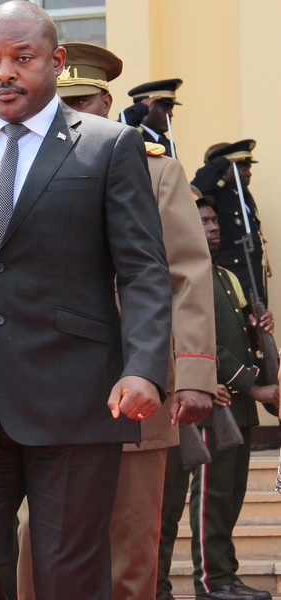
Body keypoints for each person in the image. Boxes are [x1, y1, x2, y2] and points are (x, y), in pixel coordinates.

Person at [0, 3, 172, 599]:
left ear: (57, 61)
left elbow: (144, 269)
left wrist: (144, 367)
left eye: (22, 59)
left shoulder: (107, 147)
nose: (4, 74)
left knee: (68, 579)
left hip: (74, 399)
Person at [14, 42, 217, 600]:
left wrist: (195, 373)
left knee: (130, 544)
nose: (75, 113)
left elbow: (188, 274)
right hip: (50, 385)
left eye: (86, 101)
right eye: (64, 100)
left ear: (107, 103)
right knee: (43, 539)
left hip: (136, 379)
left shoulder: (156, 173)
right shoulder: (20, 171)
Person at [183, 195, 277, 600]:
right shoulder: (188, 277)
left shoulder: (226, 275)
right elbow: (209, 347)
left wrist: (258, 325)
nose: (213, 226)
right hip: (214, 403)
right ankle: (211, 581)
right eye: (203, 221)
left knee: (232, 494)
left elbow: (236, 334)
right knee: (211, 494)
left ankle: (226, 575)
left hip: (238, 404)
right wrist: (253, 385)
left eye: (215, 220)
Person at [191, 140, 268, 305]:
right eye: (242, 167)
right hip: (233, 283)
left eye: (249, 167)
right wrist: (222, 162)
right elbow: (197, 185)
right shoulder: (216, 195)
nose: (249, 173)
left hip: (253, 284)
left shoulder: (242, 195)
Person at [121, 78, 183, 158]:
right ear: (146, 106)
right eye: (164, 108)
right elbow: (119, 130)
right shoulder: (135, 139)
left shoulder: (166, 142)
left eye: (171, 108)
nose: (171, 114)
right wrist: (139, 109)